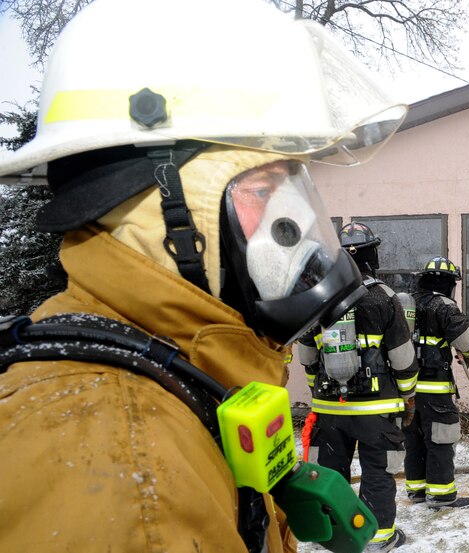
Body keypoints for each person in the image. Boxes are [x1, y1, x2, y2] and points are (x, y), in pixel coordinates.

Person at [0, 1, 408, 551]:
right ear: (165, 209)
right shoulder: (127, 471)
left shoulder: (187, 373)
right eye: (262, 191)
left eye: (294, 190)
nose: (297, 228)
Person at [296, 222, 418, 552]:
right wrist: (408, 396)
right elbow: (402, 357)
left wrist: (318, 392)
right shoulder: (384, 298)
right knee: (377, 471)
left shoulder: (320, 298)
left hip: (329, 408)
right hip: (376, 410)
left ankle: (330, 535)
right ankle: (379, 538)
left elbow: (307, 356)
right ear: (372, 256)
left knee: (329, 473)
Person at [403, 256, 469, 509]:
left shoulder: (406, 304)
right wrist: (466, 354)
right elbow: (467, 342)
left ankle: (417, 490)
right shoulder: (444, 306)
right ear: (448, 284)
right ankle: (442, 495)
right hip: (435, 388)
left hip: (406, 388)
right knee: (440, 439)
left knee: (413, 439)